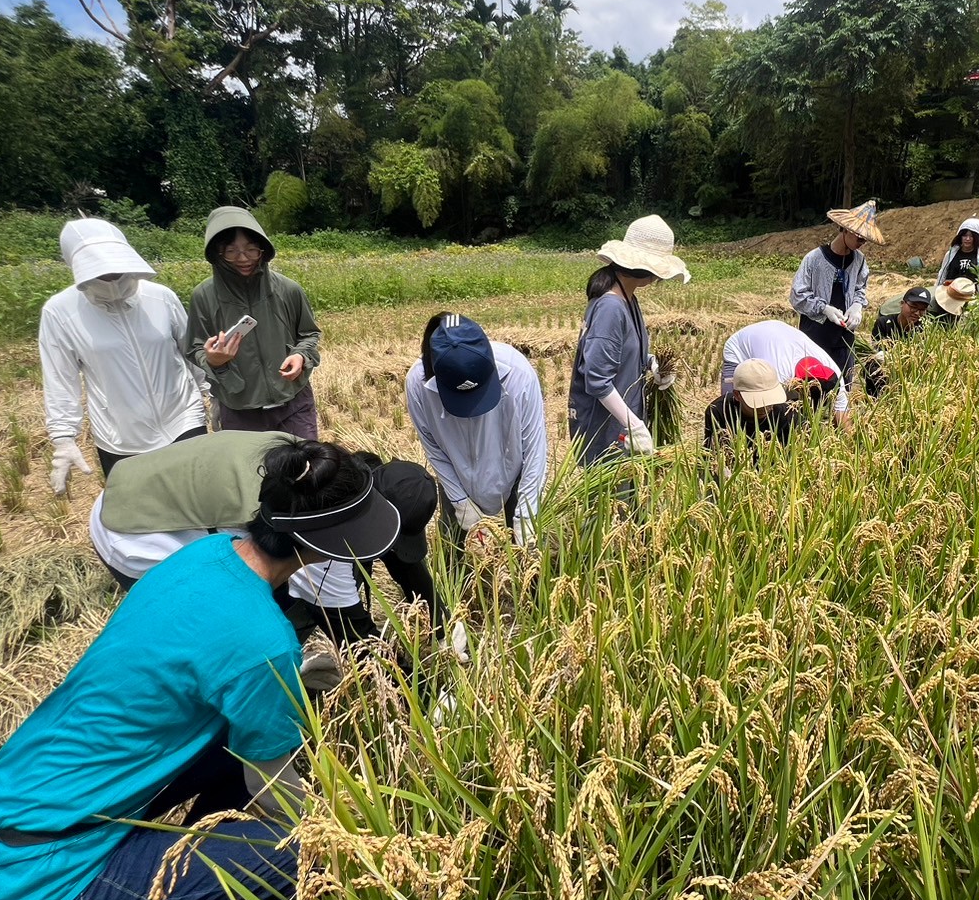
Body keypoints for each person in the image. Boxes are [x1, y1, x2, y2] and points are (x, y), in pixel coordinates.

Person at [0, 439, 401, 900]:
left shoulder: (203, 557)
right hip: (35, 890)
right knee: (311, 866)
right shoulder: (261, 644)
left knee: (233, 741)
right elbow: (273, 788)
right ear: (323, 545)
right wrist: (351, 833)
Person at [88, 431, 441, 641]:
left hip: (162, 482)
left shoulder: (321, 469)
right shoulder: (321, 531)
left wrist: (441, 623)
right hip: (136, 527)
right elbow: (351, 633)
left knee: (281, 594)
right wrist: (412, 687)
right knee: (220, 626)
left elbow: (407, 566)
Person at [39, 218, 208, 493]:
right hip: (120, 436)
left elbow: (191, 350)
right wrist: (63, 438)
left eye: (117, 269)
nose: (111, 278)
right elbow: (60, 380)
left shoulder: (161, 297)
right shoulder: (60, 313)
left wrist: (210, 391)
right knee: (145, 519)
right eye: (100, 273)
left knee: (202, 502)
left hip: (184, 419)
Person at [406, 313, 548, 550]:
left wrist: (526, 517)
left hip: (512, 470)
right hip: (456, 474)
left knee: (526, 550)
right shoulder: (417, 385)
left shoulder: (518, 374)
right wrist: (461, 502)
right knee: (456, 547)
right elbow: (433, 448)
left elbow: (535, 448)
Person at [187, 206, 322, 438]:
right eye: (231, 251)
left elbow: (309, 334)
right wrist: (214, 361)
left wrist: (301, 355)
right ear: (217, 253)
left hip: (293, 402)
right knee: (250, 474)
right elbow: (194, 347)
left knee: (307, 469)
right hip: (239, 407)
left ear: (263, 249)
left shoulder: (288, 290)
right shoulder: (204, 296)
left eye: (251, 249)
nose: (243, 258)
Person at [568, 215, 688, 465]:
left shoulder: (628, 299)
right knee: (612, 501)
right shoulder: (611, 307)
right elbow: (598, 380)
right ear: (643, 269)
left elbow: (627, 351)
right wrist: (633, 425)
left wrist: (652, 364)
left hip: (622, 422)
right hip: (606, 430)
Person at [789, 201, 884, 380]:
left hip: (844, 335)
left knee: (843, 385)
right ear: (845, 229)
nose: (862, 243)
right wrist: (824, 308)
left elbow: (860, 288)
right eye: (859, 238)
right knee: (814, 386)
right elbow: (797, 295)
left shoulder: (859, 261)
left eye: (865, 240)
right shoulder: (814, 259)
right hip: (816, 333)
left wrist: (856, 306)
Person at [719, 319, 852, 423]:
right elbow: (772, 412)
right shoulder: (778, 375)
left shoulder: (836, 380)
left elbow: (842, 417)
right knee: (735, 406)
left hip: (778, 336)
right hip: (740, 347)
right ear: (797, 385)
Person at [704, 358, 802, 470]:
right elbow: (712, 457)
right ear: (737, 395)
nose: (766, 407)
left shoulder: (787, 413)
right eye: (758, 402)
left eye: (769, 399)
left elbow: (790, 460)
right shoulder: (718, 411)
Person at [863, 286, 933, 397]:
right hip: (885, 368)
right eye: (913, 307)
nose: (917, 313)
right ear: (902, 304)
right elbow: (877, 351)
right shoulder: (884, 323)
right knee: (873, 366)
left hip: (909, 371)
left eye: (922, 310)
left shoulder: (923, 329)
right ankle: (874, 398)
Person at [936, 216, 979, 286]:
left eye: (971, 236)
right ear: (960, 237)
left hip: (973, 294)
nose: (967, 239)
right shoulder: (950, 255)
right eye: (965, 235)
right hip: (950, 293)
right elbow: (942, 274)